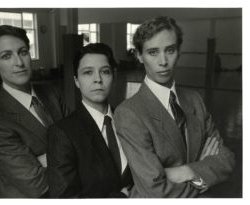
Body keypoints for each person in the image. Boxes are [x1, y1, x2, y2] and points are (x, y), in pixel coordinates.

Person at [114, 16, 235, 198]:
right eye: (153, 52)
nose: (163, 61)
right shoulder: (129, 113)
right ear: (139, 56)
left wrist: (186, 171)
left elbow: (227, 159)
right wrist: (202, 176)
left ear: (179, 52)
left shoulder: (194, 100)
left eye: (169, 50)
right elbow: (156, 191)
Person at [0, 25, 69, 198]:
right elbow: (36, 184)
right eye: (6, 56)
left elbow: (81, 139)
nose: (19, 62)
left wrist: (43, 160)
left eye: (23, 52)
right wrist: (69, 156)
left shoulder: (51, 92)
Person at [47, 43, 133, 198]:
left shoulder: (130, 120)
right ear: (76, 81)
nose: (98, 79)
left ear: (113, 76)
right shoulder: (62, 133)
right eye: (88, 72)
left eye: (105, 72)